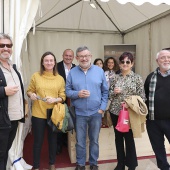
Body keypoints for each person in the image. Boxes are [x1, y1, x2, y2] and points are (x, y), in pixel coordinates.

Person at [66, 46, 108, 170]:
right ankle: (80, 164)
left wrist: (102, 108)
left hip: (96, 112)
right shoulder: (72, 72)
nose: (84, 58)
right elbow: (67, 91)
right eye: (81, 56)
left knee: (94, 140)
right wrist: (77, 94)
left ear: (91, 56)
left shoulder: (99, 71)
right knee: (80, 141)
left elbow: (105, 91)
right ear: (77, 58)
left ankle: (94, 163)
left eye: (86, 56)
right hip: (79, 113)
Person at [27, 51, 66, 170]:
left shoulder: (59, 79)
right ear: (42, 63)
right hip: (38, 113)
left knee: (53, 140)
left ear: (54, 63)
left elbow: (63, 97)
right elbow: (29, 91)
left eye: (51, 60)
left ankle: (52, 163)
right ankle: (36, 165)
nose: (49, 63)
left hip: (54, 113)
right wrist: (31, 95)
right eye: (46, 61)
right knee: (38, 141)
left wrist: (55, 99)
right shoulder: (36, 76)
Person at [109, 52, 145, 170]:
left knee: (129, 139)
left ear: (132, 63)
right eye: (122, 62)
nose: (125, 64)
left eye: (128, 62)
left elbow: (142, 97)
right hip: (115, 112)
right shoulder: (114, 78)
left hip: (130, 113)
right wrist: (114, 92)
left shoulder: (137, 78)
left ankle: (132, 165)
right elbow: (108, 95)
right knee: (118, 138)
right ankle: (120, 164)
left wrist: (130, 102)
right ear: (119, 64)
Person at [0, 33, 25, 170]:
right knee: (1, 154)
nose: (5, 48)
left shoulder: (13, 67)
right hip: (2, 120)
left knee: (5, 152)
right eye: (2, 45)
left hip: (14, 118)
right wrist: (3, 91)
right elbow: (5, 90)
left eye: (8, 45)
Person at [144, 49, 170, 170]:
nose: (166, 60)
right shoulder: (150, 77)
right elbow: (144, 98)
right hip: (153, 121)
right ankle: (164, 168)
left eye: (168, 57)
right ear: (157, 61)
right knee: (158, 148)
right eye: (163, 58)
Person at [57, 49, 76, 154]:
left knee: (70, 120)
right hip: (60, 98)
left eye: (70, 56)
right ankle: (58, 144)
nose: (68, 57)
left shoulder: (76, 68)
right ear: (62, 55)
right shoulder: (56, 67)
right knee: (60, 121)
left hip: (73, 99)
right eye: (66, 55)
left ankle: (66, 141)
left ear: (73, 57)